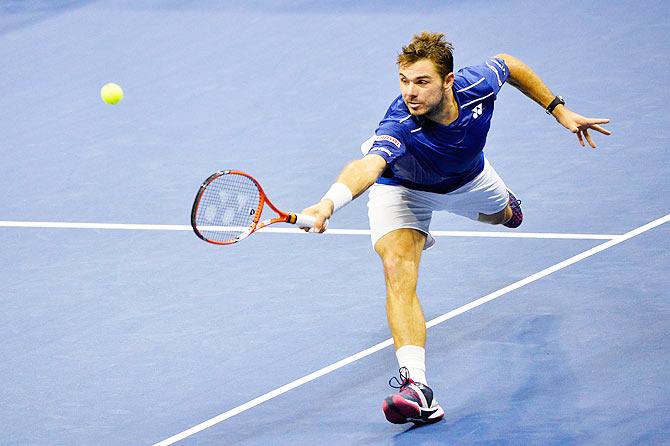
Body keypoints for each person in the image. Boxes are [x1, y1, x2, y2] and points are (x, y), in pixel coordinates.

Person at [301, 32, 611, 425]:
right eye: (404, 80)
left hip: (470, 181)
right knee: (397, 268)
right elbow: (368, 165)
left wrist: (558, 109)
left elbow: (509, 63)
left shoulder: (477, 85)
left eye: (421, 81)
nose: (410, 92)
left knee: (508, 217)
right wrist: (330, 201)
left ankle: (502, 208)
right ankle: (417, 389)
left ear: (449, 81)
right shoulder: (400, 124)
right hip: (403, 191)